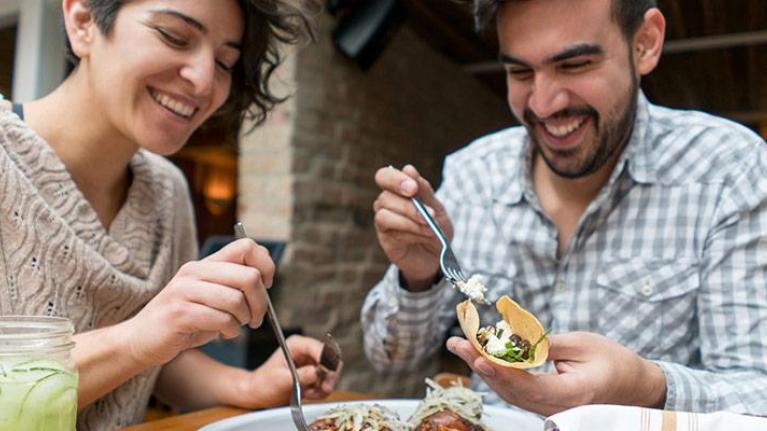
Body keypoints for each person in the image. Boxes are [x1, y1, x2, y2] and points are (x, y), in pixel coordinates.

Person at [362, 0, 767, 418]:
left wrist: (647, 385)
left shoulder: (728, 171)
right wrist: (419, 275)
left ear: (644, 43)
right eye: (520, 72)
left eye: (574, 65)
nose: (544, 105)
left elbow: (759, 390)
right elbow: (389, 357)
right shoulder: (472, 174)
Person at [0, 0, 340, 429]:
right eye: (174, 36)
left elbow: (152, 361)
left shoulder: (168, 190)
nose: (203, 81)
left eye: (224, 61)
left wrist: (247, 386)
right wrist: (143, 332)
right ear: (82, 19)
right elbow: (142, 341)